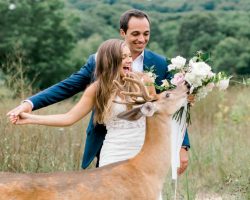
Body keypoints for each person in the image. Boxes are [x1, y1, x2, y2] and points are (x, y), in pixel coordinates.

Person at [7, 9, 190, 174]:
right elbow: (66, 91)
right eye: (135, 34)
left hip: (144, 149)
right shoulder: (97, 77)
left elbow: (167, 109)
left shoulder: (154, 70)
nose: (141, 39)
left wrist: (182, 144)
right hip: (111, 148)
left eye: (146, 34)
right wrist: (29, 107)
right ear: (122, 33)